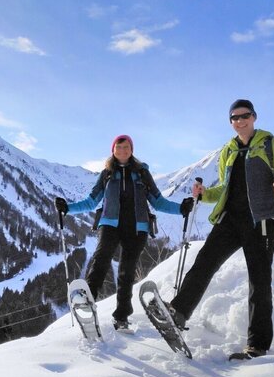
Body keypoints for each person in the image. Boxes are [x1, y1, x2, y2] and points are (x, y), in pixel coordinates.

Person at [168, 99, 274, 360]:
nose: (240, 121)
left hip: (261, 219)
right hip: (230, 219)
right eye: (234, 118)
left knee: (259, 281)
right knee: (205, 261)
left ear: (254, 117)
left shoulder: (273, 145)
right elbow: (223, 188)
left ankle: (258, 345)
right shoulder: (228, 151)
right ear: (230, 122)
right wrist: (205, 194)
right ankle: (178, 314)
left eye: (244, 116)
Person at [55, 134, 194, 331]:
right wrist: (67, 208)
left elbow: (158, 201)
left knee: (127, 272)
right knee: (101, 258)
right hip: (110, 225)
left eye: (126, 147)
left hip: (137, 228)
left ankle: (121, 317)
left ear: (131, 149)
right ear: (113, 150)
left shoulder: (142, 173)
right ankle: (88, 300)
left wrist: (180, 208)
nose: (122, 150)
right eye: (119, 147)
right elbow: (91, 201)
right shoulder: (107, 174)